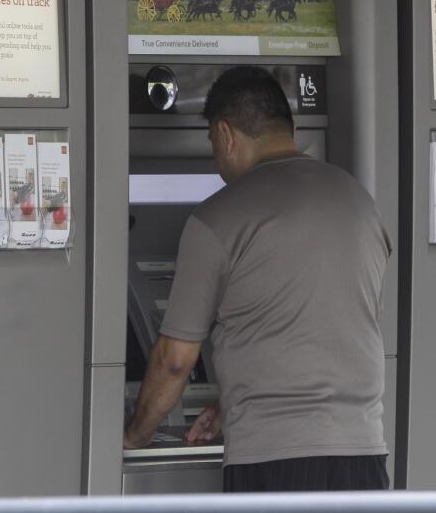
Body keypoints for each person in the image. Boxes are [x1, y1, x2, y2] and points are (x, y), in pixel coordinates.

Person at [123, 66, 392, 492]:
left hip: (272, 459)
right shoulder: (360, 202)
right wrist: (232, 400)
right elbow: (328, 323)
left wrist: (135, 435)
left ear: (226, 134)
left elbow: (175, 360)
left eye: (213, 146)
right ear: (292, 127)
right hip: (364, 455)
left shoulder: (218, 217)